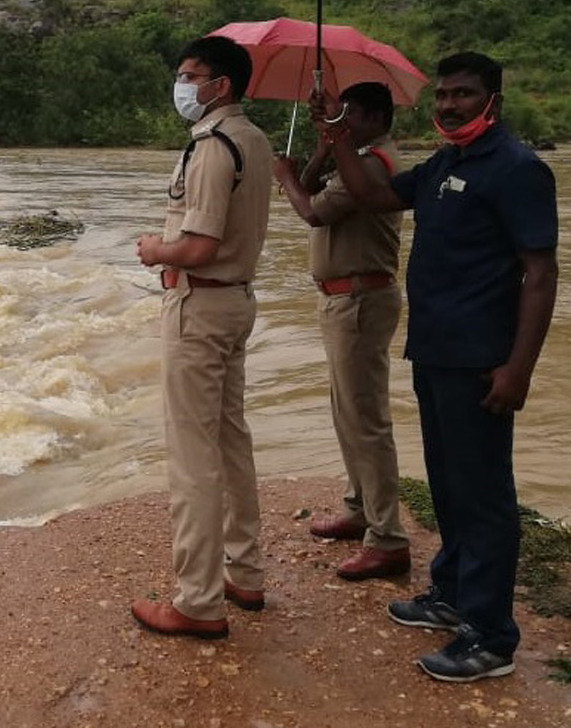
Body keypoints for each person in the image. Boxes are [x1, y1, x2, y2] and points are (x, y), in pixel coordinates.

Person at [316, 52, 557, 682]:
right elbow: (370, 194)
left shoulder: (518, 169)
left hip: (483, 361)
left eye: (463, 95)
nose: (449, 105)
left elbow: (540, 273)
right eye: (443, 95)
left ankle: (492, 637)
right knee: (449, 483)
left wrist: (519, 368)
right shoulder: (445, 162)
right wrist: (338, 137)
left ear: (492, 102)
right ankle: (451, 596)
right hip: (434, 351)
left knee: (484, 495)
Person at [131, 35, 274, 640]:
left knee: (192, 456)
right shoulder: (256, 141)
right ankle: (244, 571)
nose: (182, 86)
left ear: (222, 85)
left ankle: (198, 601)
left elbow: (198, 246)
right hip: (235, 302)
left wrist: (153, 250)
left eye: (190, 76)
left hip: (200, 303)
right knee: (230, 438)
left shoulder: (214, 149)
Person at [272, 82, 411, 581]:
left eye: (347, 114)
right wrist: (322, 148)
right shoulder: (356, 154)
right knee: (345, 411)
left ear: (374, 118)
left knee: (366, 419)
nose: (340, 120)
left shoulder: (373, 163)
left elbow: (311, 210)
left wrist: (285, 176)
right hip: (342, 297)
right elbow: (312, 188)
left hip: (359, 299)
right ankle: (359, 509)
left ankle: (388, 538)